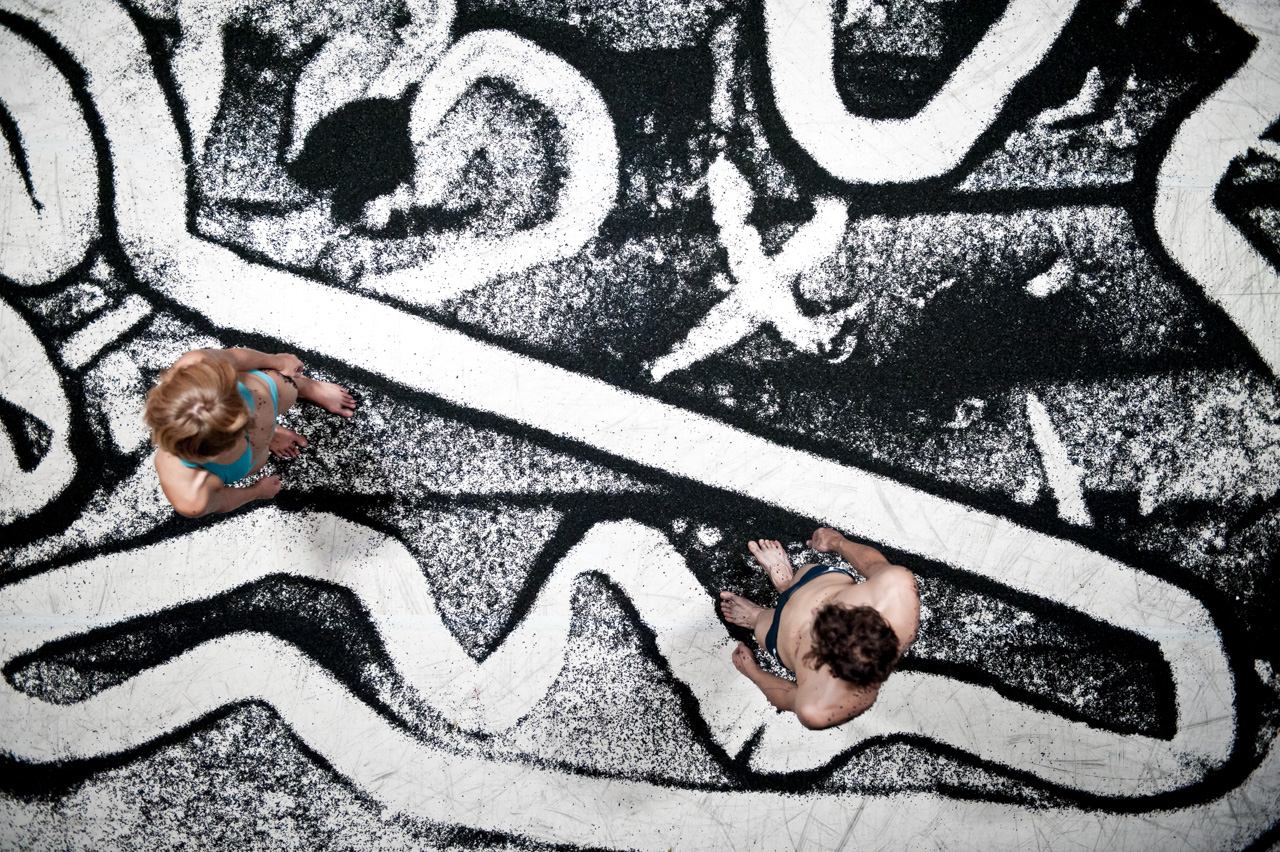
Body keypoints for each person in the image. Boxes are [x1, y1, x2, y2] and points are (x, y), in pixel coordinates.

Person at [719, 528, 919, 730]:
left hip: (780, 634)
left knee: (761, 627)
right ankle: (787, 585)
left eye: (816, 630)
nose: (814, 611)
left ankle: (757, 616)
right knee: (800, 580)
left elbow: (789, 696)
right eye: (833, 609)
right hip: (816, 581)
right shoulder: (897, 586)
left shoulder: (818, 708)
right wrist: (837, 542)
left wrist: (752, 671)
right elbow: (875, 565)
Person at [143, 347, 357, 517]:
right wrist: (256, 492)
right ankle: (269, 434)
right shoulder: (190, 493)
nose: (252, 424)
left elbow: (235, 358)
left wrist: (278, 361)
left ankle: (306, 387)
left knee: (286, 387)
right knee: (259, 458)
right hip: (245, 458)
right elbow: (220, 500)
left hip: (260, 393)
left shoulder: (196, 364)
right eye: (240, 432)